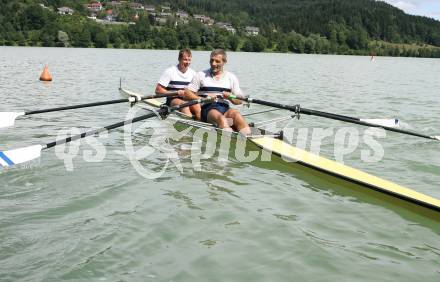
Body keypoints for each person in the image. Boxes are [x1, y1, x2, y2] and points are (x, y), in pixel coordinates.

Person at [184, 49, 251, 135]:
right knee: (221, 119)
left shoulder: (231, 77)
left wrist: (231, 97)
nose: (213, 64)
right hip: (207, 110)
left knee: (237, 115)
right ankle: (229, 137)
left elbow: (239, 101)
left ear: (224, 62)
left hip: (225, 109)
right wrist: (204, 98)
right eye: (211, 60)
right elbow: (186, 94)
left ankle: (248, 137)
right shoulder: (201, 75)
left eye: (217, 61)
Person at [155, 48, 201, 120]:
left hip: (188, 99)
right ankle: (189, 124)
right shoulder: (170, 71)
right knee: (184, 105)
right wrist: (175, 93)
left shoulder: (193, 73)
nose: (187, 62)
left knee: (198, 106)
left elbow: (197, 92)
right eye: (185, 60)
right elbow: (158, 90)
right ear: (179, 59)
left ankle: (200, 124)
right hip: (173, 99)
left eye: (189, 60)